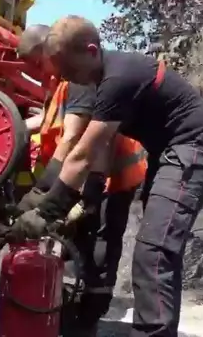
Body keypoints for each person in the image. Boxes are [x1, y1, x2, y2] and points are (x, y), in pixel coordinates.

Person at [13, 16, 203, 337]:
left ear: (91, 51)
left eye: (68, 69)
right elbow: (95, 151)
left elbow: (82, 152)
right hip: (170, 153)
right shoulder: (99, 79)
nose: (64, 77)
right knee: (156, 254)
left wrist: (45, 211)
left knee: (154, 254)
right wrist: (46, 194)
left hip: (192, 151)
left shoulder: (117, 79)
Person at [16, 25, 147, 336]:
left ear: (48, 53)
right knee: (77, 245)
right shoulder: (61, 81)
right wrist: (14, 126)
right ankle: (71, 315)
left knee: (97, 249)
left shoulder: (79, 79)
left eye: (38, 63)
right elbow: (52, 122)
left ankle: (85, 319)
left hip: (108, 180)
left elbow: (75, 138)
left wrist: (44, 191)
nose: (37, 71)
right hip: (87, 176)